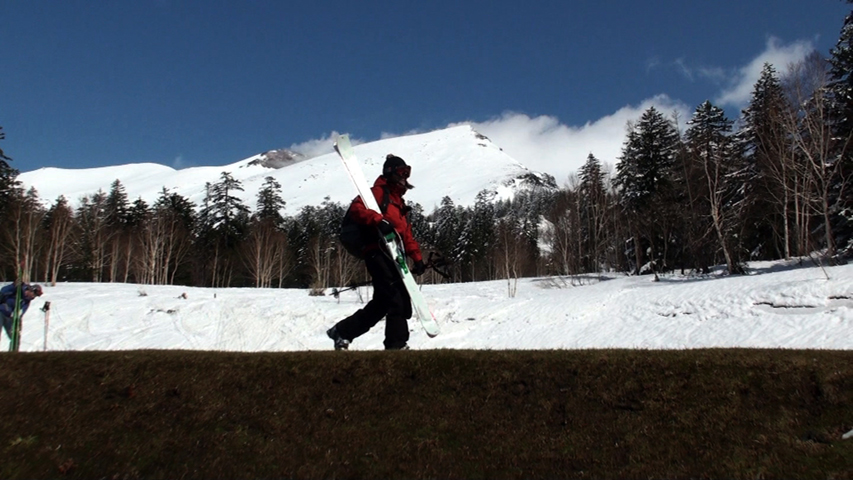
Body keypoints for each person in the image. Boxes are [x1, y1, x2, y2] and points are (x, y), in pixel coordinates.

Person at [327, 154, 427, 350]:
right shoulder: (377, 193)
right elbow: (357, 209)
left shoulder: (399, 203)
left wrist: (417, 258)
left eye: (407, 173)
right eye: (402, 172)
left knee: (383, 302)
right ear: (390, 173)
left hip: (394, 255)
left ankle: (342, 331)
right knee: (395, 295)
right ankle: (396, 345)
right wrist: (378, 221)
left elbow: (406, 235)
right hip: (376, 251)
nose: (405, 177)